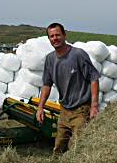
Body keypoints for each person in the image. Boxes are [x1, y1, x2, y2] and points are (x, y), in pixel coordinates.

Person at [36, 22, 100, 153]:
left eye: (58, 35)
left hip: (81, 110)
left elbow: (94, 78)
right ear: (49, 39)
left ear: (64, 35)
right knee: (59, 147)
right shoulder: (50, 59)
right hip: (64, 110)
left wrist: (94, 106)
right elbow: (47, 85)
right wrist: (40, 107)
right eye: (52, 36)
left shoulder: (78, 55)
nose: (55, 38)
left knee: (78, 147)